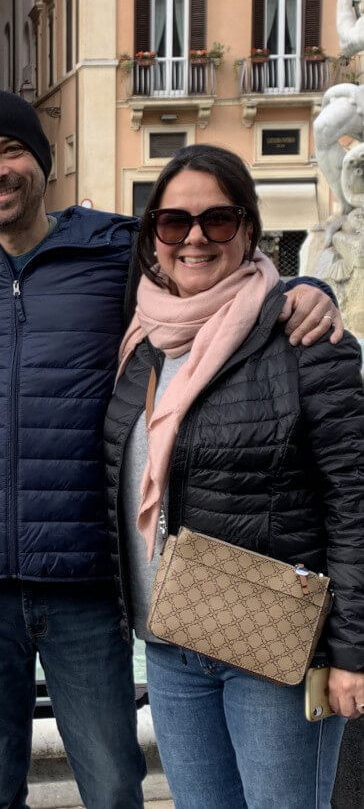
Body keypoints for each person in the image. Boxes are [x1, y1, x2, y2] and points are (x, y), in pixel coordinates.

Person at [0, 90, 344, 808]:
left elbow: (210, 276)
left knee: (110, 784)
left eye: (11, 151)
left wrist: (306, 287)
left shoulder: (114, 253)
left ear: (43, 163)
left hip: (85, 575)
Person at [104, 143, 364, 809]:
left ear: (248, 228)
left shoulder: (304, 336)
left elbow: (353, 503)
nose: (194, 237)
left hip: (273, 644)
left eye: (217, 220)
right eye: (173, 222)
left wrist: (352, 653)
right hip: (169, 641)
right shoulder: (142, 343)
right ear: (153, 236)